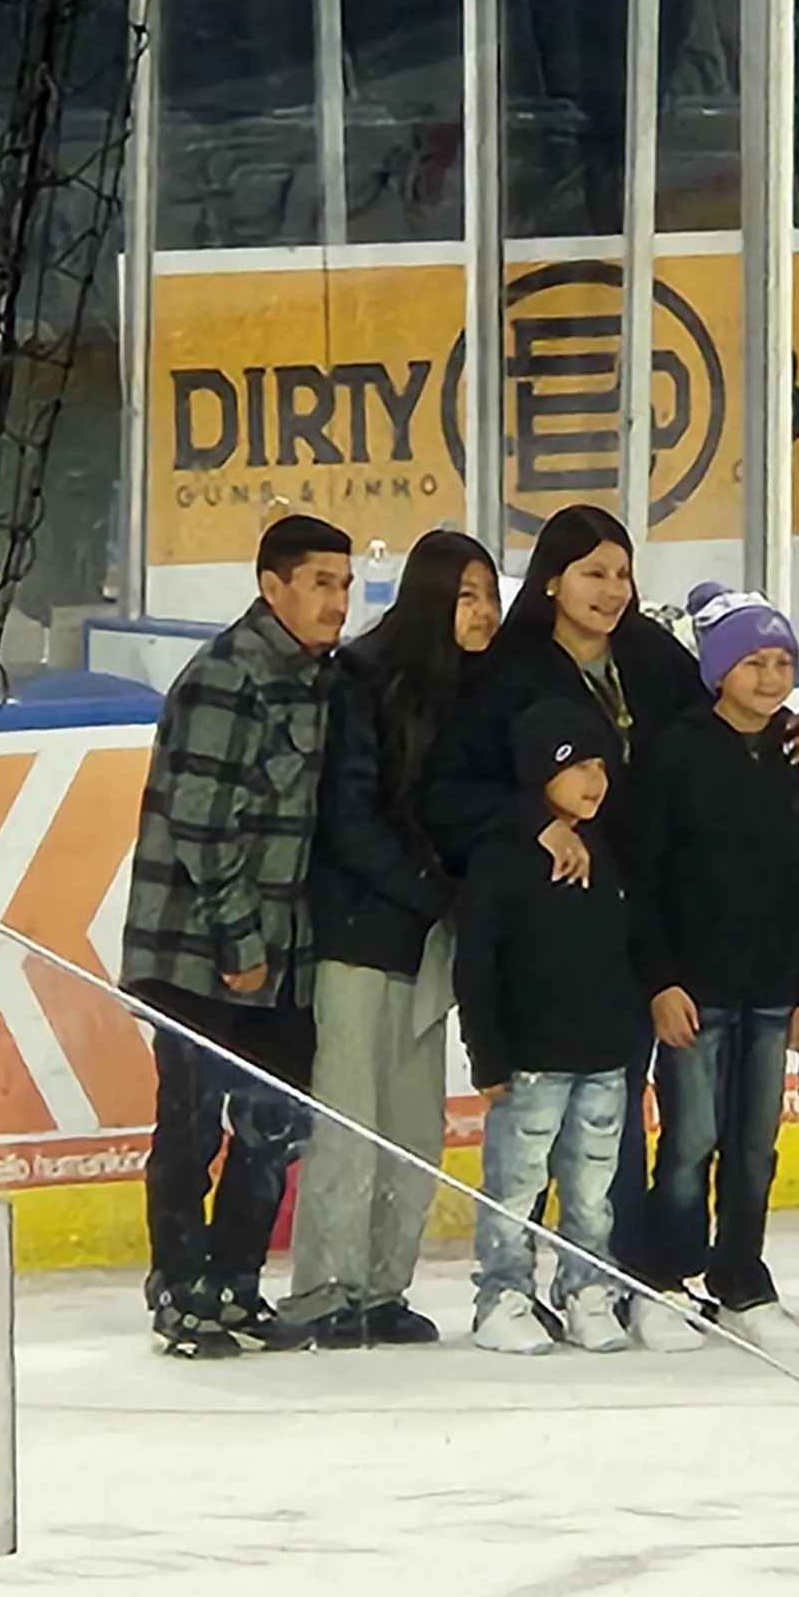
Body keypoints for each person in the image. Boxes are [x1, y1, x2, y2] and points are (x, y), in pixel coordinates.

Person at [422, 504, 799, 1271]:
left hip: (651, 905)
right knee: (547, 1114)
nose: (612, 590)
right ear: (551, 581)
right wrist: (530, 823)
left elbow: (721, 722)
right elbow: (451, 788)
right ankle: (516, 1280)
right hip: (553, 922)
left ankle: (628, 1273)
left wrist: (791, 732)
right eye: (593, 574)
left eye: (621, 573)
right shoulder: (504, 673)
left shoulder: (651, 654)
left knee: (623, 1111)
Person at [121, 515, 352, 1359]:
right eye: (320, 582)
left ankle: (234, 1282)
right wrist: (238, 939)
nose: (337, 599)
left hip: (284, 954)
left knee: (272, 1119)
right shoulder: (228, 676)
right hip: (196, 950)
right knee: (191, 1122)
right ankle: (181, 1289)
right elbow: (200, 822)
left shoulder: (321, 680)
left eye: (344, 583)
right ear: (272, 586)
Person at [283, 531, 502, 1348]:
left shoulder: (479, 692)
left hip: (428, 939)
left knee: (412, 1124)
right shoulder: (363, 680)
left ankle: (382, 1285)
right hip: (358, 934)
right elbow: (349, 817)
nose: (481, 611)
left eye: (489, 595)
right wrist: (431, 893)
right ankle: (326, 1290)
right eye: (466, 594)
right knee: (350, 1119)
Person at [628, 590, 799, 1353]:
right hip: (697, 991)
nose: (770, 676)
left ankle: (741, 1279)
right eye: (754, 662)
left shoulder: (794, 755)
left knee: (754, 1146)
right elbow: (645, 879)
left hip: (772, 990)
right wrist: (660, 981)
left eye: (782, 663)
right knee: (688, 1143)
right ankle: (666, 1277)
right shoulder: (676, 753)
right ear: (718, 670)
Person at [454, 700, 640, 1357]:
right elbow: (476, 964)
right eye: (576, 764)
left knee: (593, 1191)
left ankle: (587, 1289)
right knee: (516, 1185)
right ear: (539, 771)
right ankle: (503, 1295)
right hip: (532, 1060)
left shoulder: (606, 853)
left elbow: (623, 952)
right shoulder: (502, 858)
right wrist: (489, 1055)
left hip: (602, 1059)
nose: (595, 778)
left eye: (601, 764)